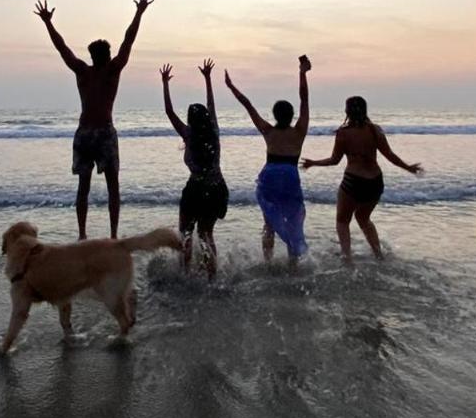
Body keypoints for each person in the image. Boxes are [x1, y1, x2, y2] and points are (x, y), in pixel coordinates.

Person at [33, 0, 153, 239]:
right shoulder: (108, 70)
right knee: (108, 186)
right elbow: (127, 42)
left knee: (87, 186)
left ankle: (86, 234)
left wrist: (48, 22)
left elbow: (62, 48)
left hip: (87, 132)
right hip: (99, 132)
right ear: (106, 56)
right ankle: (108, 235)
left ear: (93, 56)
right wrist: (139, 13)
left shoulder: (86, 71)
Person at [301, 96, 422, 263]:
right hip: (375, 182)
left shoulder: (343, 133)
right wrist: (408, 168)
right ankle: (378, 254)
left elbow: (334, 160)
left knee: (342, 221)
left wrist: (313, 163)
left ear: (347, 111)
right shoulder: (375, 130)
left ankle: (347, 258)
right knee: (363, 218)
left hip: (353, 181)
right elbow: (390, 156)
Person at [224, 55, 311, 266]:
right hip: (290, 177)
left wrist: (231, 86)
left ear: (275, 114)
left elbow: (248, 105)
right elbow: (304, 100)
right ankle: (293, 264)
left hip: (270, 177)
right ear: (291, 116)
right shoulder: (299, 131)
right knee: (293, 222)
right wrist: (302, 73)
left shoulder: (268, 130)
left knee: (269, 223)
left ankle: (268, 262)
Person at [160, 58, 229, 281]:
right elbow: (211, 105)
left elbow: (169, 112)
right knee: (206, 233)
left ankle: (185, 274)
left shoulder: (188, 135)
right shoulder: (214, 132)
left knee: (186, 233)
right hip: (217, 188)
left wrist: (165, 84)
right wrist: (208, 79)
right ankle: (212, 277)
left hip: (196, 189)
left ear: (190, 120)